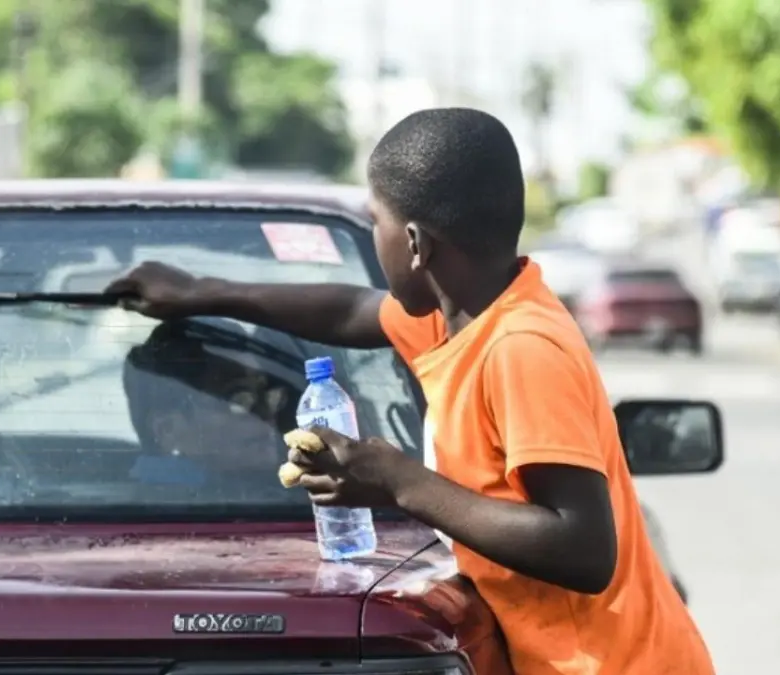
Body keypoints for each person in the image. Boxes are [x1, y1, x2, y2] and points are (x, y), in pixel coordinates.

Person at [106, 108, 714, 674]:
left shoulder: (521, 347)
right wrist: (202, 292)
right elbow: (349, 310)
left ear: (417, 244)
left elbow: (584, 549)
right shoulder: (459, 316)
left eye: (377, 224)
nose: (376, 239)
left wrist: (399, 482)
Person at [121, 319, 296, 492]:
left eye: (268, 395)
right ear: (168, 429)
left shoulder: (277, 494)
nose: (268, 415)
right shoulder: (167, 509)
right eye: (239, 401)